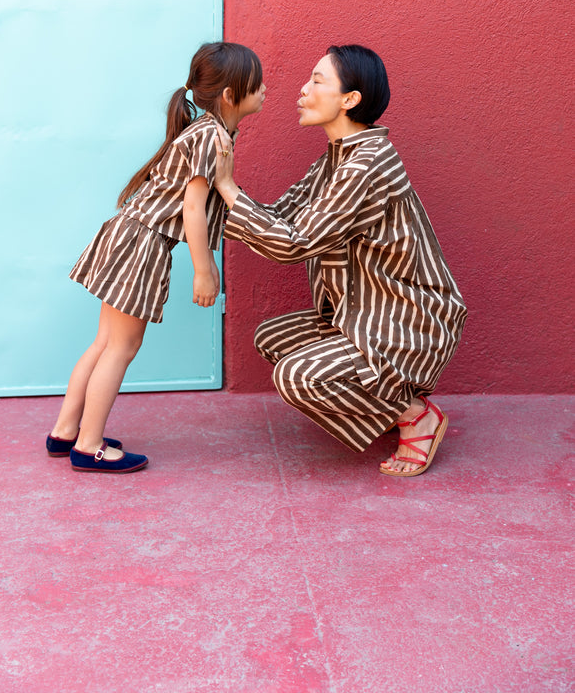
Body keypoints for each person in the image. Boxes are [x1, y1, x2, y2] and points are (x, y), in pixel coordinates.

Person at [214, 44, 467, 477]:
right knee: (271, 338)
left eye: (316, 80)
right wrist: (202, 205)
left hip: (405, 321)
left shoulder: (364, 164)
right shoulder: (335, 159)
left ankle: (414, 415)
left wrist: (229, 188)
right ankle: (387, 405)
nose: (302, 90)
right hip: (358, 316)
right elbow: (279, 218)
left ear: (349, 99)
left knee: (297, 376)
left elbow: (294, 243)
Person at [47, 42, 265, 473]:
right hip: (143, 244)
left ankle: (66, 431)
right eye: (256, 83)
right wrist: (205, 271)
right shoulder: (213, 136)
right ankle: (89, 445)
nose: (264, 89)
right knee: (121, 348)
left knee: (105, 343)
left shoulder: (207, 131)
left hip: (127, 232)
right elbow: (192, 209)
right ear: (229, 94)